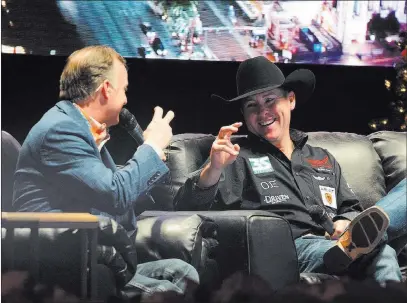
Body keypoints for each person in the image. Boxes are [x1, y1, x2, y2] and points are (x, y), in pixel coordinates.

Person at [174, 56, 406, 282]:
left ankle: (356, 240)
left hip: (333, 241)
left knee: (373, 241)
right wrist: (214, 168)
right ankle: (361, 241)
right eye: (252, 105)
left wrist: (345, 221)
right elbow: (185, 211)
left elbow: (350, 207)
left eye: (270, 100)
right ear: (244, 114)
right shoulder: (232, 155)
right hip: (287, 249)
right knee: (381, 253)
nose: (263, 112)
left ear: (291, 100)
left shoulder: (322, 157)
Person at [12, 45, 199, 295]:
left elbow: (118, 200)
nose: (125, 99)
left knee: (183, 273)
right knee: (169, 291)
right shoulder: (61, 130)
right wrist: (152, 146)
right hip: (62, 263)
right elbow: (115, 194)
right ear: (106, 89)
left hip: (90, 256)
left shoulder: (83, 129)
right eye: (124, 89)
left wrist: (151, 160)